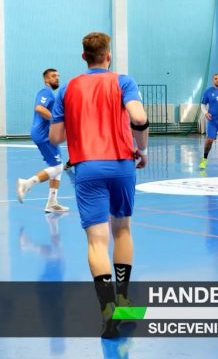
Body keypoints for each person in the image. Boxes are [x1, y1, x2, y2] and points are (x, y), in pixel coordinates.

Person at [49, 32, 149, 338]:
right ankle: (124, 300)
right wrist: (142, 149)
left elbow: (55, 138)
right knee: (123, 230)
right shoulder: (123, 82)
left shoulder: (68, 88)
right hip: (121, 164)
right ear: (108, 55)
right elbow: (139, 117)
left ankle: (106, 307)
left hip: (87, 166)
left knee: (96, 241)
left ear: (84, 57)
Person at [16, 68, 70, 212]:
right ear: (46, 79)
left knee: (57, 166)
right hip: (43, 134)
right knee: (57, 167)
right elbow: (39, 108)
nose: (57, 78)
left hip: (49, 134)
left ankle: (52, 203)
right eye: (53, 76)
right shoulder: (45, 91)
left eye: (58, 76)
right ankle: (27, 183)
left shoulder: (51, 94)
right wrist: (55, 120)